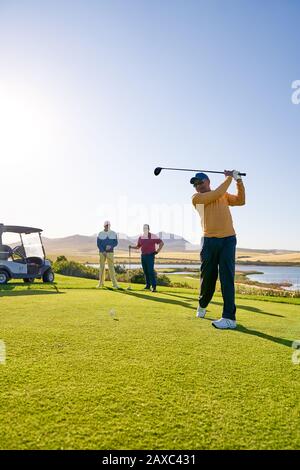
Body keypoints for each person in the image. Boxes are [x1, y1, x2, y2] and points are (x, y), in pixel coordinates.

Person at [191, 170, 245, 329]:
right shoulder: (197, 198)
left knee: (227, 277)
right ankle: (203, 304)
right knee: (208, 277)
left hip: (228, 239)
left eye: (200, 182)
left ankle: (229, 318)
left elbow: (241, 201)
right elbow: (217, 193)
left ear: (207, 181)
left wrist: (239, 181)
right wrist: (229, 177)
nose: (197, 186)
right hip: (209, 241)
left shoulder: (223, 195)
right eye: (195, 184)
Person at [129, 224, 164, 292]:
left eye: (146, 228)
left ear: (149, 229)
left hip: (150, 256)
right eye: (144, 228)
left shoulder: (153, 236)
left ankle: (154, 287)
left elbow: (161, 243)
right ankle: (148, 286)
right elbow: (138, 247)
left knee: (150, 271)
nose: (145, 229)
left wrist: (157, 251)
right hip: (143, 256)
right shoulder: (141, 237)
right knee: (145, 271)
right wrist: (131, 247)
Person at [96, 221, 120, 289]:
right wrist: (103, 251)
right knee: (101, 268)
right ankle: (101, 283)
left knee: (111, 268)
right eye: (106, 225)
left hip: (110, 252)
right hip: (102, 253)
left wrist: (111, 246)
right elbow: (98, 244)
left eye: (108, 225)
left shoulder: (113, 233)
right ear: (104, 226)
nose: (107, 226)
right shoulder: (100, 233)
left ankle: (115, 284)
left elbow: (115, 243)